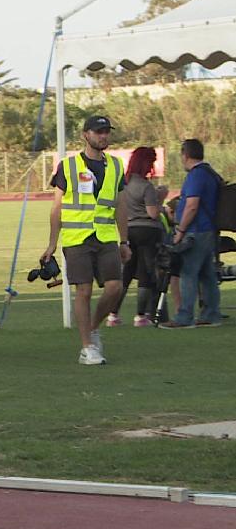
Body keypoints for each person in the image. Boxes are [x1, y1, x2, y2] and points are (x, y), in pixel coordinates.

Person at [42, 115, 131, 364]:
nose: (103, 136)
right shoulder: (68, 166)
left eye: (106, 132)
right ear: (85, 135)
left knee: (115, 287)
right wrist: (52, 243)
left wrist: (124, 241)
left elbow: (120, 205)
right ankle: (87, 347)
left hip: (105, 236)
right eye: (98, 131)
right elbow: (56, 207)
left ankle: (92, 327)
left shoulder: (115, 165)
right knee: (84, 290)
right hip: (77, 237)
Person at [161, 138, 221, 329]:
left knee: (188, 273)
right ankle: (211, 314)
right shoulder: (210, 173)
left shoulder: (196, 176)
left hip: (195, 231)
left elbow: (192, 206)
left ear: (185, 155)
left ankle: (184, 317)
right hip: (208, 229)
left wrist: (180, 230)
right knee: (207, 274)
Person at [108, 147, 163, 328]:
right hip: (147, 231)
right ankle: (141, 315)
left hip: (129, 229)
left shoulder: (124, 183)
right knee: (146, 272)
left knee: (127, 273)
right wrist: (160, 199)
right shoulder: (146, 186)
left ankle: (113, 313)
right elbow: (152, 213)